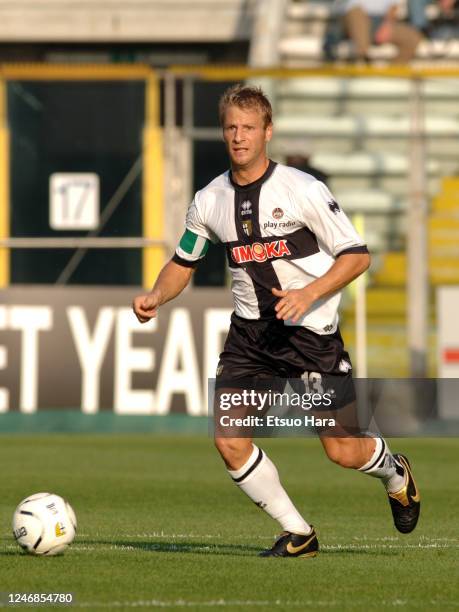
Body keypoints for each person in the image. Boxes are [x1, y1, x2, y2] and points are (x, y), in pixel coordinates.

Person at [132, 85, 420, 558]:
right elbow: (183, 262)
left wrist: (308, 293)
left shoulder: (303, 189)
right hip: (250, 336)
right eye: (231, 127)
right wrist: (156, 295)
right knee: (228, 439)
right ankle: (298, 532)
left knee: (343, 451)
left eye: (248, 127)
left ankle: (395, 472)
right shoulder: (209, 200)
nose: (238, 137)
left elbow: (357, 256)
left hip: (310, 335)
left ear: (268, 132)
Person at [334, 0, 422, 63]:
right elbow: (348, 6)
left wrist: (387, 25)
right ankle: (362, 61)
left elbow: (394, 5)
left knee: (413, 38)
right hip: (351, 17)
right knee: (357, 14)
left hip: (380, 20)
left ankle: (390, 75)